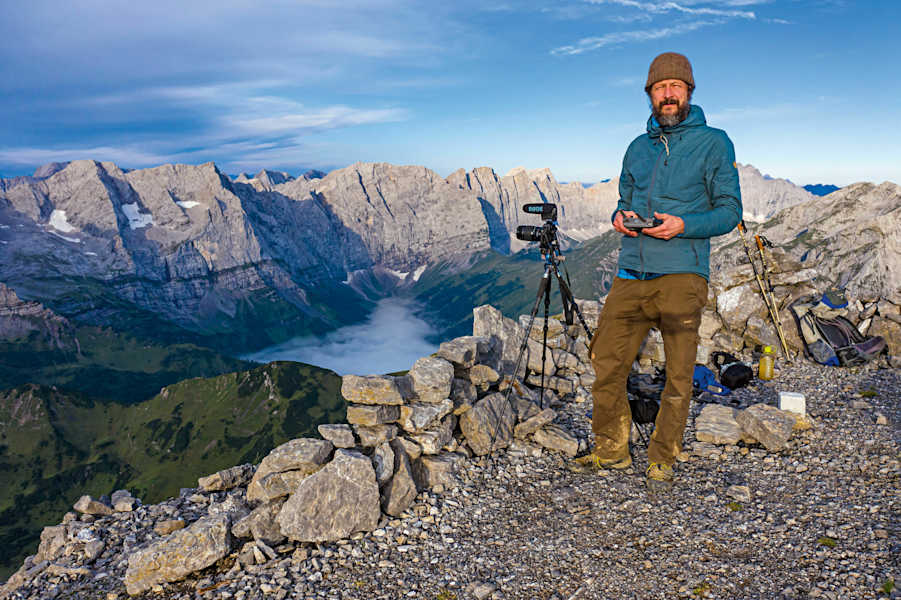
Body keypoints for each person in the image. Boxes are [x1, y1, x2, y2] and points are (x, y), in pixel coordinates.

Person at [571, 52, 742, 492]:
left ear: (689, 92)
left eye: (676, 87)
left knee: (679, 373)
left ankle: (663, 456)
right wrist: (619, 216)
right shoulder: (637, 147)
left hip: (682, 273)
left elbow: (730, 212)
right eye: (660, 87)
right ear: (649, 94)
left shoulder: (714, 143)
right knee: (605, 361)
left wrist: (684, 225)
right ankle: (612, 449)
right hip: (631, 271)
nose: (668, 94)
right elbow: (624, 199)